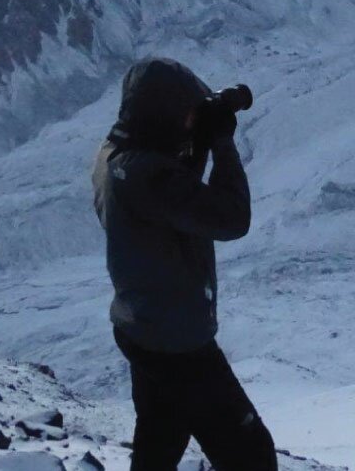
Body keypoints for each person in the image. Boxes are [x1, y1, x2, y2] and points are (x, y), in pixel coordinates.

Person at [92, 57, 277, 471]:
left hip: (141, 329)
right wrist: (221, 143)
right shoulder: (146, 176)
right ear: (162, 117)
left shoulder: (114, 156)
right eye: (187, 114)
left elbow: (171, 192)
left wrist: (193, 135)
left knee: (161, 436)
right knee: (252, 455)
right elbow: (231, 219)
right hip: (179, 346)